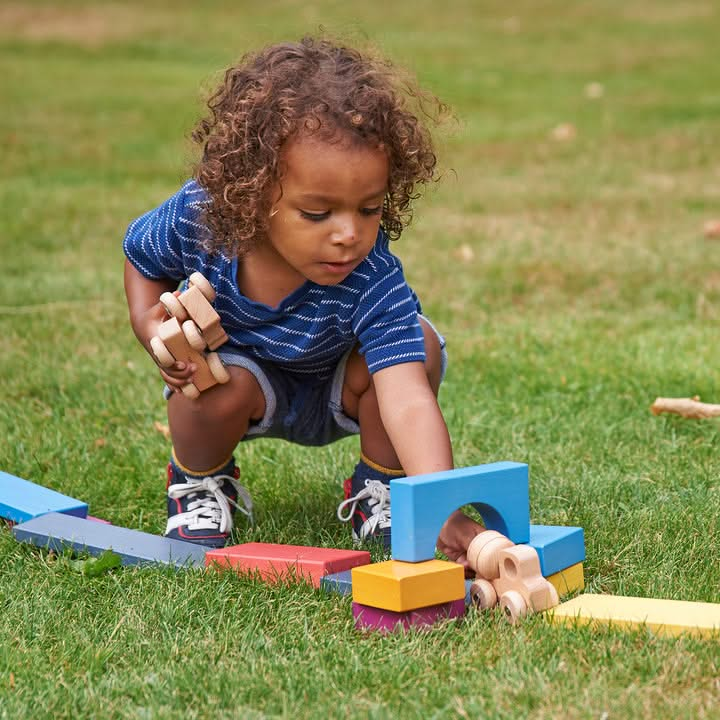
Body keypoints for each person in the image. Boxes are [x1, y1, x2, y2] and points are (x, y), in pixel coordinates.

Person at [123, 36, 482, 565]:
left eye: (369, 209)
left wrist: (439, 507)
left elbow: (406, 398)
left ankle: (381, 492)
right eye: (318, 213)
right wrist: (147, 322)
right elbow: (142, 256)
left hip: (341, 384)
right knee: (204, 390)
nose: (349, 234)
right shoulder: (201, 219)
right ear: (251, 191)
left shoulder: (372, 276)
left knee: (420, 347)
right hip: (243, 382)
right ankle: (199, 483)